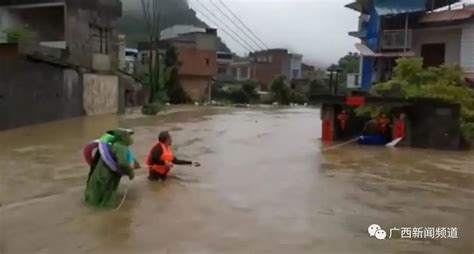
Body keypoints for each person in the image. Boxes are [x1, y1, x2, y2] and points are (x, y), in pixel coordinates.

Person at [84, 129, 136, 209]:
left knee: (95, 193)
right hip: (108, 175)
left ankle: (91, 211)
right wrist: (130, 173)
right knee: (107, 197)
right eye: (129, 136)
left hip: (99, 172)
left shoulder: (114, 144)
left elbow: (129, 158)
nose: (130, 138)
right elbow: (123, 163)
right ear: (123, 137)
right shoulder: (121, 147)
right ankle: (105, 214)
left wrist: (135, 164)